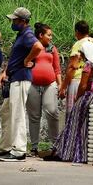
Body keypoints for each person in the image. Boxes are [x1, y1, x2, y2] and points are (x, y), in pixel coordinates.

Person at [46, 40, 93, 163]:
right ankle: (83, 154)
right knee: (86, 127)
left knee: (73, 124)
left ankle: (66, 153)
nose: (81, 55)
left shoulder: (88, 65)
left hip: (88, 97)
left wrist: (77, 98)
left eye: (82, 53)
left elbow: (83, 86)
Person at [0, 7, 42, 162]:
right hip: (14, 76)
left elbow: (38, 47)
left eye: (15, 20)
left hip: (21, 77)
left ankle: (19, 150)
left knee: (17, 114)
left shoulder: (27, 34)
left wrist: (28, 60)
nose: (12, 22)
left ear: (23, 21)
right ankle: (6, 146)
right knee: (7, 112)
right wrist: (5, 72)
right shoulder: (21, 35)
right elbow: (15, 57)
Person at [60, 20, 93, 114]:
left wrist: (63, 87)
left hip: (78, 81)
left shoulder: (79, 44)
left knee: (74, 113)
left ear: (77, 32)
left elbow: (72, 67)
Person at [27, 23, 61, 158]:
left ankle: (55, 145)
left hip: (50, 84)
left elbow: (57, 69)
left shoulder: (52, 49)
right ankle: (34, 147)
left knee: (52, 111)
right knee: (34, 116)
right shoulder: (33, 47)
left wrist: (61, 85)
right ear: (40, 35)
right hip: (33, 84)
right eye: (49, 35)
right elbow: (24, 61)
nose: (51, 38)